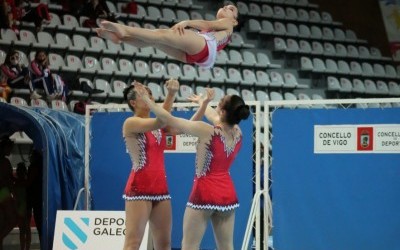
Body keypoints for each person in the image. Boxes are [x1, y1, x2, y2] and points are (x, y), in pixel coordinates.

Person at [134, 83, 250, 250]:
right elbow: (215, 117)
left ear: (223, 112)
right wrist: (202, 102)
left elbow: (168, 120)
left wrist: (146, 99)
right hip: (227, 195)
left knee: (189, 246)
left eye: (220, 101)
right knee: (227, 247)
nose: (217, 103)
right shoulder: (238, 132)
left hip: (204, 192)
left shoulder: (206, 131)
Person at [122, 78, 180, 250]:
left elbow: (169, 121)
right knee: (133, 243)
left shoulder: (157, 126)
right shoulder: (131, 123)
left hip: (161, 188)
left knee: (164, 244)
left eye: (151, 95)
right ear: (133, 102)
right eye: (144, 96)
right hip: (140, 187)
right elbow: (161, 120)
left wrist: (171, 94)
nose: (150, 98)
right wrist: (170, 95)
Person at [96, 4, 238, 69]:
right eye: (226, 5)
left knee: (161, 34)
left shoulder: (228, 24)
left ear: (235, 20)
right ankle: (120, 39)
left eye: (231, 9)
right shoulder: (224, 31)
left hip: (204, 45)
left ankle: (124, 30)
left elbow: (206, 24)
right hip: (196, 56)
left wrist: (187, 22)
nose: (226, 7)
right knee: (154, 41)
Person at [0, 137, 17, 250]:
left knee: (1, 221)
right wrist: (13, 193)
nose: (11, 151)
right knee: (12, 220)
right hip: (3, 192)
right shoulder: (5, 162)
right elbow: (9, 180)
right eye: (10, 148)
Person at [26, 149, 43, 248]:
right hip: (38, 198)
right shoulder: (42, 167)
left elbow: (29, 182)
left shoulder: (34, 167)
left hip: (35, 198)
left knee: (38, 223)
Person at [13, 162, 30, 250]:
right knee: (27, 229)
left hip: (19, 208)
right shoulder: (27, 183)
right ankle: (27, 248)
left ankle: (22, 248)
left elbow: (15, 197)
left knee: (22, 230)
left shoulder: (16, 184)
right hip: (26, 207)